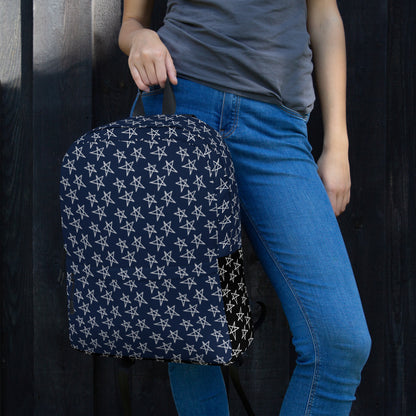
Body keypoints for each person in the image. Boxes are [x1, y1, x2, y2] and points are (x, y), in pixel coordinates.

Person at [118, 0, 372, 414]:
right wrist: (140, 39)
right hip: (182, 104)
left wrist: (337, 146)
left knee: (340, 343)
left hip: (277, 131)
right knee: (192, 335)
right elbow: (131, 23)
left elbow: (325, 17)